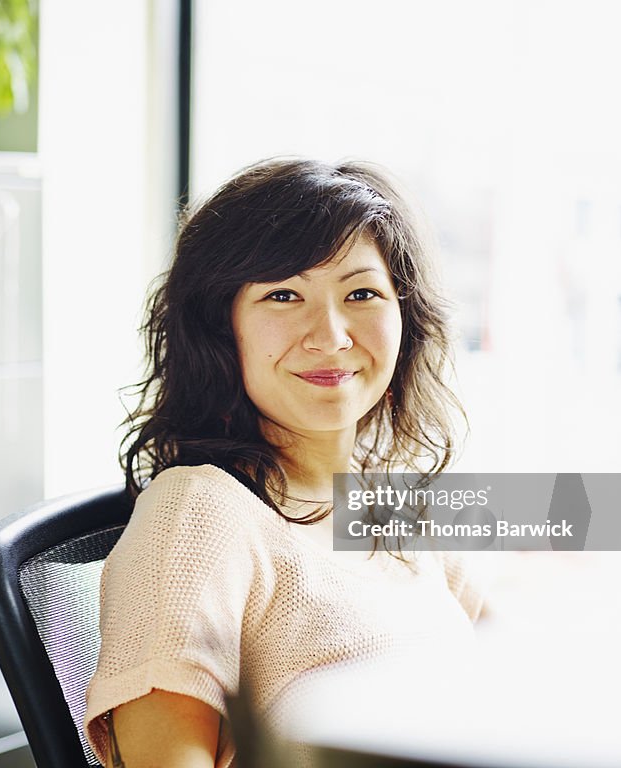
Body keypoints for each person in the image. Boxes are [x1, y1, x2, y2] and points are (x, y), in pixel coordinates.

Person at [83, 158, 483, 767]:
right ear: (222, 329)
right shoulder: (198, 512)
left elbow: (510, 683)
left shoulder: (396, 505)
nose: (329, 334)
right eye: (283, 294)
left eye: (362, 293)